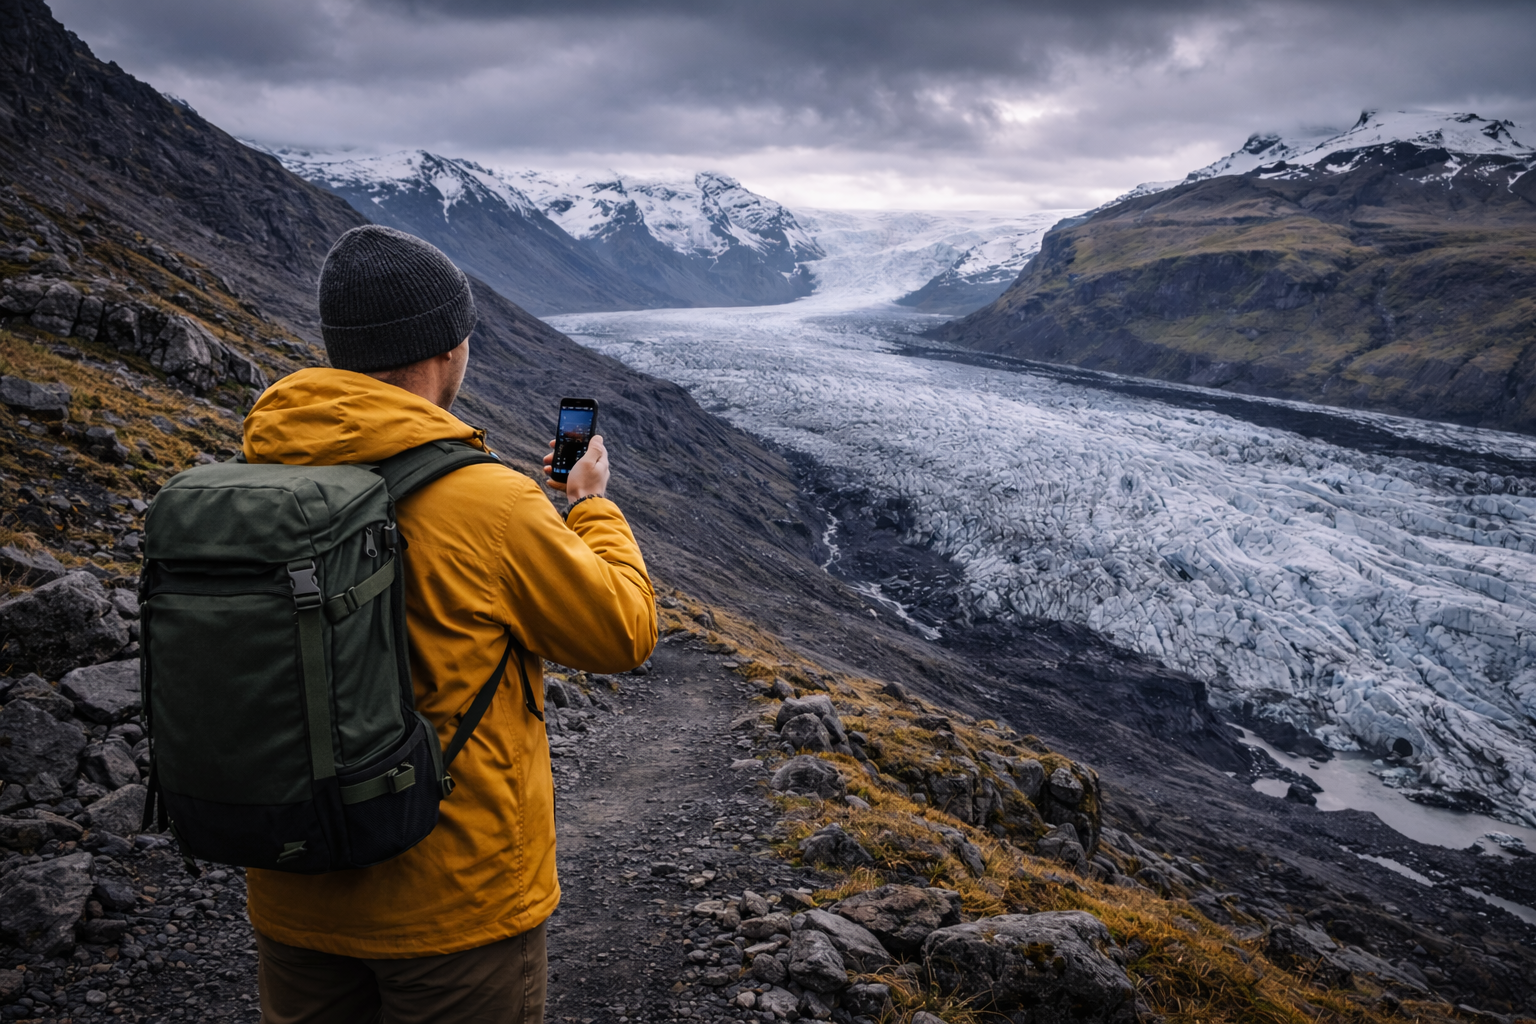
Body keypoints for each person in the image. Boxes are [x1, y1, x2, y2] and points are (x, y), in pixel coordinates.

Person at [240, 224, 657, 1023]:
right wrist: (591, 504)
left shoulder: (256, 472)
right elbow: (622, 632)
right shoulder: (487, 502)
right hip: (453, 904)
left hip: (291, 885)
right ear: (443, 350)